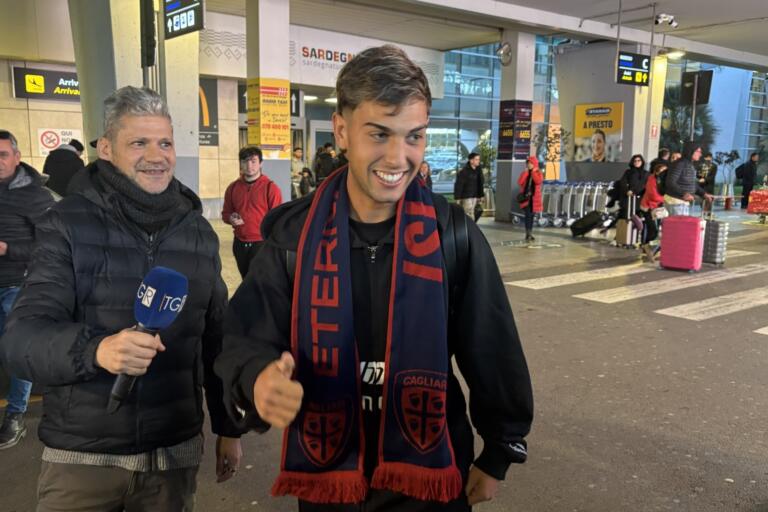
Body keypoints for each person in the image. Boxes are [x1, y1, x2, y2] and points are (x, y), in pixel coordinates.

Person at [215, 45, 533, 512]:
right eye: (380, 134)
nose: (399, 157)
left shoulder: (451, 236)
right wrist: (257, 376)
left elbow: (493, 349)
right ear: (342, 131)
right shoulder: (294, 239)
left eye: (414, 136)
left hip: (430, 477)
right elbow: (243, 337)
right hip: (330, 477)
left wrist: (498, 453)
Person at [0, 86, 243, 510]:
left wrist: (229, 427)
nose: (156, 156)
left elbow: (215, 339)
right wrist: (97, 350)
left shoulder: (198, 233)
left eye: (165, 143)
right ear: (107, 149)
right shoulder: (65, 223)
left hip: (172, 458)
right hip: (82, 460)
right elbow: (22, 341)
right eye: (139, 143)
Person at [0, 129, 55, 450]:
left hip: (17, 286)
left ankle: (16, 415)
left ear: (17, 157)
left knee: (17, 352)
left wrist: (8, 249)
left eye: (3, 155)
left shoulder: (36, 196)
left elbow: (50, 245)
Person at [222, 146, 283, 279]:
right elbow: (225, 214)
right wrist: (231, 218)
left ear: (261, 163)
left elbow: (277, 219)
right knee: (246, 280)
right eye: (245, 161)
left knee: (260, 282)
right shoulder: (233, 188)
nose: (249, 166)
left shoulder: (271, 188)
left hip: (262, 243)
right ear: (240, 163)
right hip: (239, 243)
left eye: (253, 161)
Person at [664, 142, 714, 216]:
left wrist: (704, 194)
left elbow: (692, 184)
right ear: (691, 151)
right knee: (679, 223)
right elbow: (670, 182)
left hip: (681, 203)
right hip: (676, 202)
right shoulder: (680, 164)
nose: (700, 154)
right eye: (698, 151)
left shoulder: (689, 164)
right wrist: (684, 193)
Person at [639, 162, 668, 261]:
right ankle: (646, 246)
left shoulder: (663, 181)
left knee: (656, 230)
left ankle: (650, 249)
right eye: (662, 171)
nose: (664, 173)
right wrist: (665, 198)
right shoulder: (652, 179)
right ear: (656, 172)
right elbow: (653, 195)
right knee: (653, 230)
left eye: (665, 171)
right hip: (649, 208)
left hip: (657, 209)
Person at [517, 156, 543, 242]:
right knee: (528, 215)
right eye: (528, 163)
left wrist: (533, 173)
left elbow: (538, 181)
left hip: (534, 199)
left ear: (534, 164)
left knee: (531, 216)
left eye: (531, 163)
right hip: (526, 198)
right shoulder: (525, 172)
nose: (529, 165)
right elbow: (520, 182)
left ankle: (529, 233)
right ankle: (528, 233)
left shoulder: (538, 173)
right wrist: (526, 173)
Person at [616, 154, 648, 220]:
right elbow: (623, 182)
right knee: (627, 216)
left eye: (639, 160)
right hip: (628, 198)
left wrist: (633, 191)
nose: (637, 162)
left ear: (642, 162)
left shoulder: (646, 173)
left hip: (640, 198)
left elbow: (644, 185)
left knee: (639, 218)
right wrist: (627, 191)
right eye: (635, 161)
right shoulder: (628, 172)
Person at [454, 152, 485, 219]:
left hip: (475, 196)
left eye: (479, 159)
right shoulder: (464, 171)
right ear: (471, 160)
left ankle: (471, 224)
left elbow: (480, 183)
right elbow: (459, 185)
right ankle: (470, 225)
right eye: (476, 159)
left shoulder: (478, 170)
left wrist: (481, 195)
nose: (478, 161)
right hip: (466, 196)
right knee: (468, 213)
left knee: (472, 212)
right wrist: (457, 198)